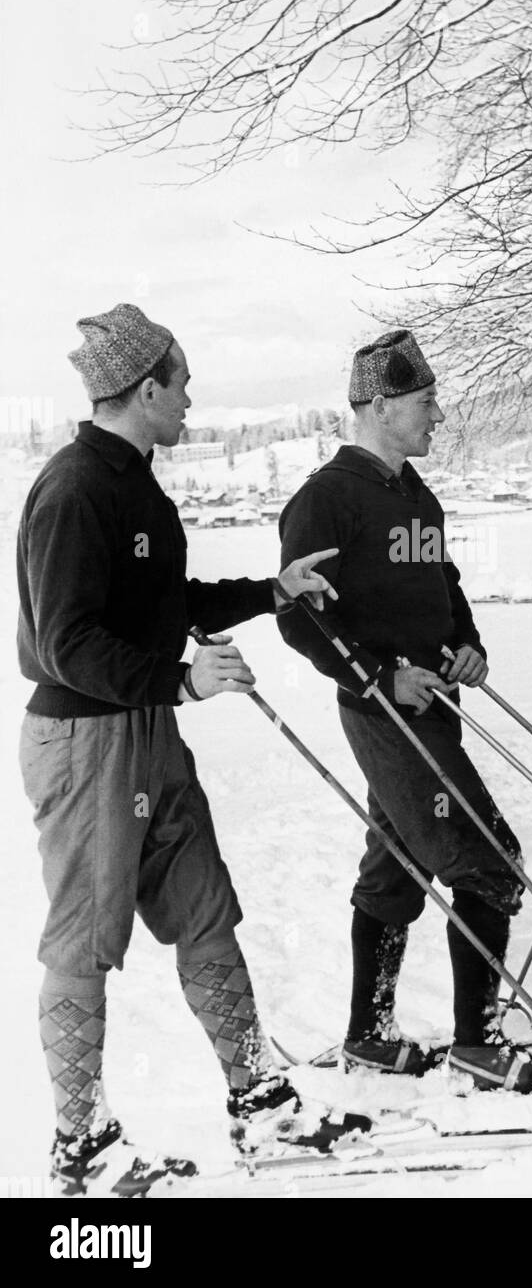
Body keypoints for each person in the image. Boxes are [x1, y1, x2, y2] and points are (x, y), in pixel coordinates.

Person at [17, 303, 370, 1197]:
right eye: (182, 382)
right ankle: (81, 1151)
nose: (190, 398)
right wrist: (177, 683)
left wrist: (271, 591)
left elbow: (164, 601)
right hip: (86, 736)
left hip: (145, 732)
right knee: (85, 941)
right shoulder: (73, 488)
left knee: (205, 907)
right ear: (144, 388)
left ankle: (261, 1104)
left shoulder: (133, 481)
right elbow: (65, 643)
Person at [276, 329, 532, 1091]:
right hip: (384, 713)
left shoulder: (417, 495)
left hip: (431, 707)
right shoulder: (324, 500)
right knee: (488, 857)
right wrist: (381, 677)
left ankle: (368, 1037)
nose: (439, 414)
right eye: (426, 401)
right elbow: (302, 617)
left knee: (396, 870)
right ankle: (479, 1045)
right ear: (379, 406)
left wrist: (466, 645)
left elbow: (444, 591)